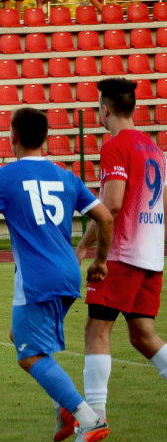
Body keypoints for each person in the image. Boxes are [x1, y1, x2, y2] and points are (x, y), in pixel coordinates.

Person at [0, 107, 114, 442]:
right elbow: (105, 218)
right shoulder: (65, 176)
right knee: (20, 335)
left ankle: (88, 418)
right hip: (67, 272)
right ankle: (64, 408)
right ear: (45, 138)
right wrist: (100, 260)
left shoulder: (3, 177)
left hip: (36, 277)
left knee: (29, 353)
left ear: (13, 136)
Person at [75, 78, 167, 420]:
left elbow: (110, 205)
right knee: (143, 335)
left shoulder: (116, 146)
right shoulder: (154, 148)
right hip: (151, 254)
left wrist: (86, 248)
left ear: (105, 109)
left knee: (96, 330)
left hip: (123, 255)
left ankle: (95, 417)